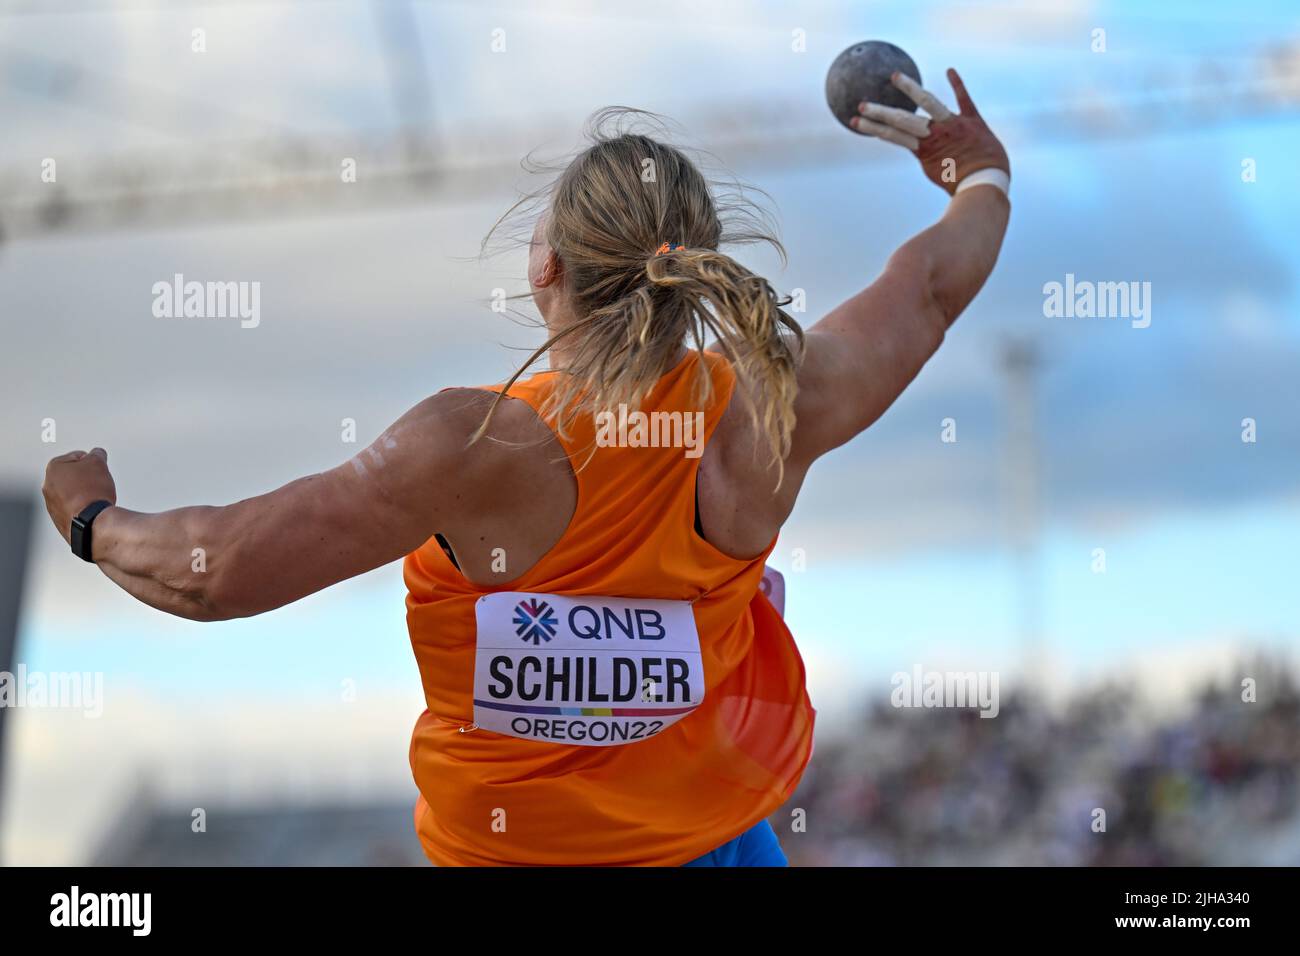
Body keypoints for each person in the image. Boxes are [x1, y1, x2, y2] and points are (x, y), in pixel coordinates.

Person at [42, 69, 1010, 866]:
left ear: (545, 265)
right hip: (714, 842)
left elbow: (216, 569)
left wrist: (92, 520)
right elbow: (924, 292)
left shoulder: (473, 445)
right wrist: (981, 175)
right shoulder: (770, 400)